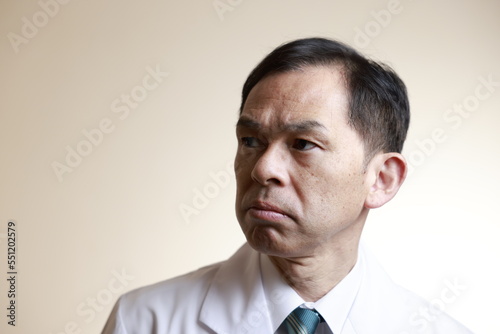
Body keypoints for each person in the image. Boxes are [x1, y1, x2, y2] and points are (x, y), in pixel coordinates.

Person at [102, 37, 472, 334]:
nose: (263, 169)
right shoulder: (143, 321)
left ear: (381, 180)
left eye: (303, 144)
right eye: (250, 140)